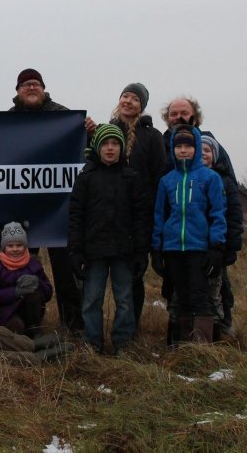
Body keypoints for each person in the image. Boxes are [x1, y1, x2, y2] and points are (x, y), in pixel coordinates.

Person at [86, 83, 166, 333]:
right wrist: (87, 132)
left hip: (137, 219)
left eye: (135, 99)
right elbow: (90, 162)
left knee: (132, 282)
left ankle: (132, 330)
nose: (128, 101)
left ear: (141, 106)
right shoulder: (104, 130)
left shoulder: (152, 136)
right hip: (103, 222)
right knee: (96, 289)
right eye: (125, 96)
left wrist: (152, 219)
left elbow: (159, 177)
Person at [8, 68, 82, 333]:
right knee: (18, 268)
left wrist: (92, 131)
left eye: (35, 84)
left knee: (66, 272)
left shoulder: (63, 116)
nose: (31, 88)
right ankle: (26, 324)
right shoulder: (6, 121)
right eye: (26, 84)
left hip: (58, 211)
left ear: (43, 88)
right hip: (22, 208)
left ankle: (73, 326)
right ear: (17, 90)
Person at [68, 124, 149, 354]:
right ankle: (92, 343)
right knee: (92, 299)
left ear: (122, 148)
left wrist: (141, 252)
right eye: (105, 144)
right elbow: (76, 216)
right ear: (97, 147)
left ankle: (123, 342)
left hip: (125, 251)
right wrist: (75, 250)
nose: (110, 148)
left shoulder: (132, 177)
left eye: (115, 144)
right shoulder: (86, 178)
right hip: (94, 250)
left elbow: (141, 217)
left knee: (124, 299)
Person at [151, 124, 227, 343]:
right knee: (179, 298)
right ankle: (180, 346)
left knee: (200, 297)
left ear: (195, 148)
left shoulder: (210, 178)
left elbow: (218, 213)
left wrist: (217, 247)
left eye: (188, 146)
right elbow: (159, 216)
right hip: (173, 249)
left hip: (199, 249)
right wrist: (157, 249)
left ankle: (202, 347)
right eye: (178, 146)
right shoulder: (167, 181)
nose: (183, 150)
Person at [200, 135, 243, 340]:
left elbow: (234, 216)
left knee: (219, 290)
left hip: (219, 246)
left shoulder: (225, 182)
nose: (202, 155)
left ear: (215, 156)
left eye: (207, 151)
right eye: (198, 151)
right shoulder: (187, 179)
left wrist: (232, 246)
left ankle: (222, 330)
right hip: (195, 246)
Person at [0, 221, 53, 337]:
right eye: (10, 246)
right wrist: (15, 292)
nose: (15, 249)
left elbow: (48, 293)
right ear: (4, 247)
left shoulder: (33, 264)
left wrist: (38, 282)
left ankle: (35, 331)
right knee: (16, 327)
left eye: (19, 245)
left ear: (25, 246)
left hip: (29, 313)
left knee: (33, 293)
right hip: (4, 312)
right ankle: (23, 344)